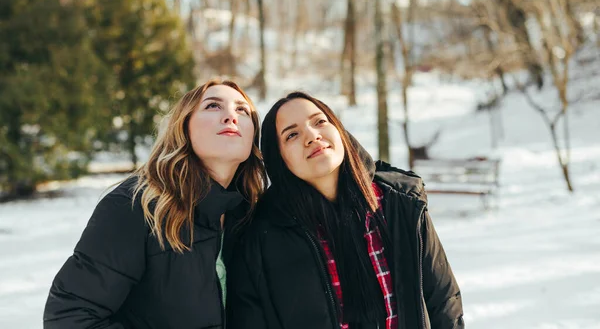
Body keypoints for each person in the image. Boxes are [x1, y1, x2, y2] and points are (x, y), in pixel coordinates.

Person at [227, 91, 464, 329]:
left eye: (320, 121)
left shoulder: (401, 202)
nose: (312, 136)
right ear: (279, 160)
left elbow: (443, 303)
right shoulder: (261, 238)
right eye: (292, 135)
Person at [44, 79, 267, 329]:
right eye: (213, 106)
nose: (230, 116)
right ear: (183, 127)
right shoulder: (135, 206)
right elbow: (69, 317)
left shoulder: (252, 214)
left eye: (242, 110)